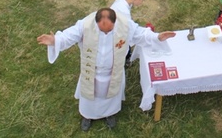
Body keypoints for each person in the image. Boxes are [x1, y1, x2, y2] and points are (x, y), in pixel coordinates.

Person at [36, 7, 176, 131]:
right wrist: (55, 41)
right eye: (101, 29)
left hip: (113, 71)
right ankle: (87, 116)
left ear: (114, 22)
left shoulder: (125, 25)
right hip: (92, 71)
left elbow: (141, 34)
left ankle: (109, 114)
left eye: (109, 30)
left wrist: (157, 37)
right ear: (96, 22)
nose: (105, 32)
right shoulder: (85, 25)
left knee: (110, 95)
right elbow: (68, 36)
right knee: (90, 97)